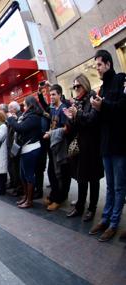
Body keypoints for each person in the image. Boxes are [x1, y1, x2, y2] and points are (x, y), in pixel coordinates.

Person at [88, 50, 126, 242]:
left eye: (100, 65)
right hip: (106, 145)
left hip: (120, 145)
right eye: (96, 66)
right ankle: (105, 219)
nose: (98, 69)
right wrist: (93, 109)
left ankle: (113, 223)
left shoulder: (121, 80)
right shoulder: (100, 90)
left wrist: (104, 106)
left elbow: (122, 108)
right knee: (110, 186)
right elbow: (98, 120)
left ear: (109, 64)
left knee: (120, 187)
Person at [63, 74, 103, 222]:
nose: (76, 89)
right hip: (81, 145)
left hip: (92, 146)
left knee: (93, 178)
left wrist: (77, 114)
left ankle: (91, 208)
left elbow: (92, 120)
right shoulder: (78, 102)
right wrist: (70, 117)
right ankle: (80, 206)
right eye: (74, 87)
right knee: (81, 178)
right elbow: (75, 127)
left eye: (78, 86)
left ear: (85, 85)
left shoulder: (92, 97)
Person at [7, 96, 43, 209]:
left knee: (28, 175)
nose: (24, 107)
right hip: (25, 148)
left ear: (30, 105)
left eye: (25, 104)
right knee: (23, 175)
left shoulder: (34, 117)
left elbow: (21, 128)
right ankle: (26, 197)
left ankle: (29, 200)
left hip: (31, 148)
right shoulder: (27, 115)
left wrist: (11, 120)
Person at [40, 84, 71, 211]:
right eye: (50, 94)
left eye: (53, 94)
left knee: (61, 175)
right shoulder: (52, 108)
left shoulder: (64, 108)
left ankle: (59, 199)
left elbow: (66, 129)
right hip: (54, 146)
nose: (51, 97)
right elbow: (43, 107)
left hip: (62, 147)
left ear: (59, 94)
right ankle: (55, 196)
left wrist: (51, 133)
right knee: (52, 173)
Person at [7, 101, 22, 196]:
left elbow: (17, 129)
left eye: (10, 108)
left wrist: (12, 120)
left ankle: (19, 188)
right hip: (12, 145)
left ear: (15, 108)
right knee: (14, 168)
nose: (9, 110)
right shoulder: (12, 117)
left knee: (17, 168)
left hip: (17, 146)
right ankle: (16, 186)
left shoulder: (19, 116)